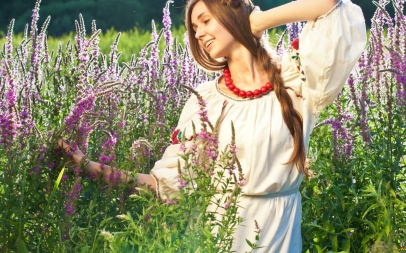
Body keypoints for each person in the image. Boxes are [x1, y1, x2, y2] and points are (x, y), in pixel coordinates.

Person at [59, 0, 366, 251]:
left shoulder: (294, 79)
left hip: (282, 233)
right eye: (194, 28)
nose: (200, 33)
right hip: (223, 235)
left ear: (231, 12)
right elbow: (162, 185)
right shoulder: (207, 102)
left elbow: (331, 7)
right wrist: (86, 165)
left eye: (206, 21)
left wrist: (256, 22)